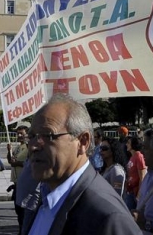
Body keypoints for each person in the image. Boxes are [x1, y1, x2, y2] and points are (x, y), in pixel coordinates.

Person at [22, 93, 140, 235]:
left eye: (48, 136)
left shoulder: (108, 217)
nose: (33, 146)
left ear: (83, 141)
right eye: (32, 136)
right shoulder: (47, 196)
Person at [7, 125, 30, 233]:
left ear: (27, 134)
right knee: (18, 209)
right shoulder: (17, 147)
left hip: (25, 183)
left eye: (21, 133)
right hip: (17, 183)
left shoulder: (29, 148)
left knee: (23, 211)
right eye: (18, 134)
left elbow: (30, 163)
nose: (19, 136)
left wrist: (17, 163)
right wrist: (9, 151)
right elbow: (11, 161)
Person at [125, 136, 146, 211]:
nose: (126, 144)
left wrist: (139, 194)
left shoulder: (138, 156)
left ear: (133, 145)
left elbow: (142, 177)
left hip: (136, 193)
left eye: (128, 143)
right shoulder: (132, 156)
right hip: (130, 191)